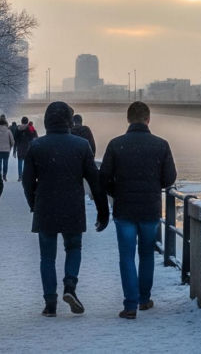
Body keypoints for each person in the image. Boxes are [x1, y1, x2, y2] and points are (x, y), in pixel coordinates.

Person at [21, 101, 109, 317]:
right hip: (72, 205)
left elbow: (27, 181)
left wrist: (34, 203)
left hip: (46, 206)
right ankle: (70, 286)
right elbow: (95, 181)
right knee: (73, 248)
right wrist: (103, 210)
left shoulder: (37, 146)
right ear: (69, 121)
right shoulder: (81, 145)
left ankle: (50, 303)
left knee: (47, 257)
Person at [100, 101, 176, 319]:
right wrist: (153, 186)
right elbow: (169, 178)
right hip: (150, 209)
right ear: (148, 119)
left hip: (124, 209)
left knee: (126, 256)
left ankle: (130, 305)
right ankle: (144, 299)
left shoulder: (116, 144)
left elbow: (103, 177)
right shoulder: (161, 145)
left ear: (128, 119)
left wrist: (116, 191)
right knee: (146, 255)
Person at [13, 116, 37, 180]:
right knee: (27, 163)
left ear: (21, 121)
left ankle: (20, 176)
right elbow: (32, 138)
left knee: (20, 162)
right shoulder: (29, 129)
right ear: (27, 121)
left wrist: (14, 150)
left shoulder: (18, 129)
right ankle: (26, 176)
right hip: (27, 148)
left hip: (20, 148)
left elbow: (15, 140)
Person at [0, 114, 12, 181]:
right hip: (6, 150)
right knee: (5, 163)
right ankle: (4, 176)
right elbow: (12, 141)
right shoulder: (8, 131)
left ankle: (0, 176)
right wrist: (10, 147)